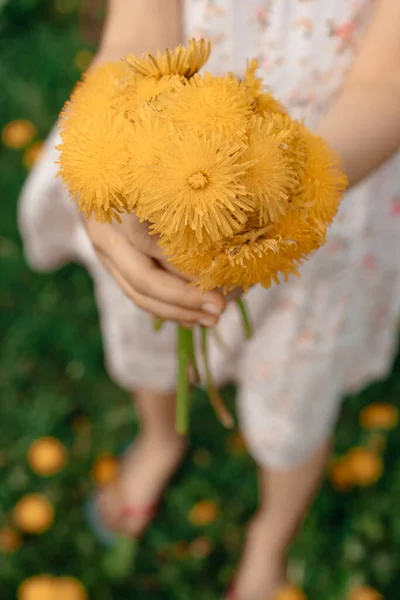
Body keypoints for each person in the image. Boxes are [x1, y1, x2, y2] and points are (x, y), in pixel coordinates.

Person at [18, 1, 400, 599]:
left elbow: (389, 85)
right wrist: (101, 181)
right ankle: (160, 438)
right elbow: (136, 41)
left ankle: (270, 535)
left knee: (296, 390)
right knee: (150, 326)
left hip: (331, 183)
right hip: (154, 189)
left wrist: (281, 207)